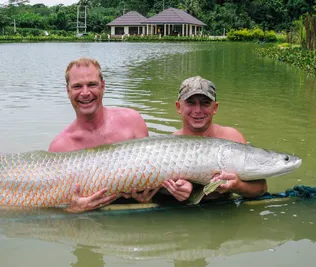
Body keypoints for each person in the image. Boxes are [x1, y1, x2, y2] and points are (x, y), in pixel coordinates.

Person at [48, 57, 154, 213]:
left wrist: (149, 195)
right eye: (77, 86)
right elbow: (53, 205)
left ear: (103, 86)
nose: (85, 93)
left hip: (136, 221)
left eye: (92, 84)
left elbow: (154, 173)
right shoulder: (59, 147)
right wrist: (73, 210)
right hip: (92, 223)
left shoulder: (133, 121)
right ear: (68, 91)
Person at [165, 76, 267, 201]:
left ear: (215, 108)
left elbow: (261, 188)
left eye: (205, 103)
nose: (198, 110)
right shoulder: (167, 147)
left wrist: (237, 186)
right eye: (190, 103)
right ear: (178, 107)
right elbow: (152, 192)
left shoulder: (232, 138)